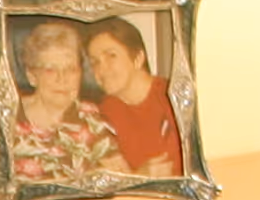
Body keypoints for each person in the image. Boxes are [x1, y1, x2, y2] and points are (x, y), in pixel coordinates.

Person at [11, 20, 126, 187]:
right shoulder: (7, 118)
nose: (62, 79)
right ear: (32, 76)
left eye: (71, 69)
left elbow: (119, 183)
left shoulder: (95, 122)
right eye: (50, 70)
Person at [85, 17, 183, 177]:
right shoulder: (103, 113)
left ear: (138, 58)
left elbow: (174, 175)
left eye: (111, 56)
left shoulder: (173, 99)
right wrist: (138, 176)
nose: (101, 69)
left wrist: (134, 176)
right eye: (95, 62)